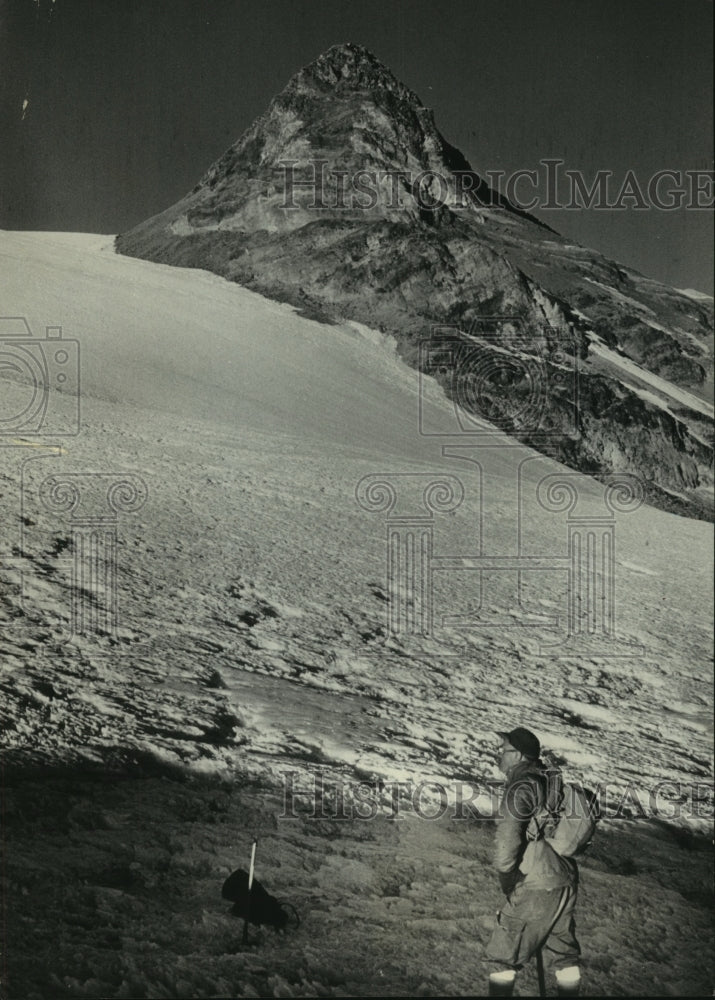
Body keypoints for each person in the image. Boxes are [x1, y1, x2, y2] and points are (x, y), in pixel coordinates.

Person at [485, 727, 582, 997]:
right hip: (563, 879)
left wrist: (507, 875)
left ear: (517, 755)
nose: (499, 756)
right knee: (564, 956)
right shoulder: (548, 780)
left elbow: (508, 835)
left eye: (503, 751)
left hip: (536, 882)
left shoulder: (521, 786)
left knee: (503, 954)